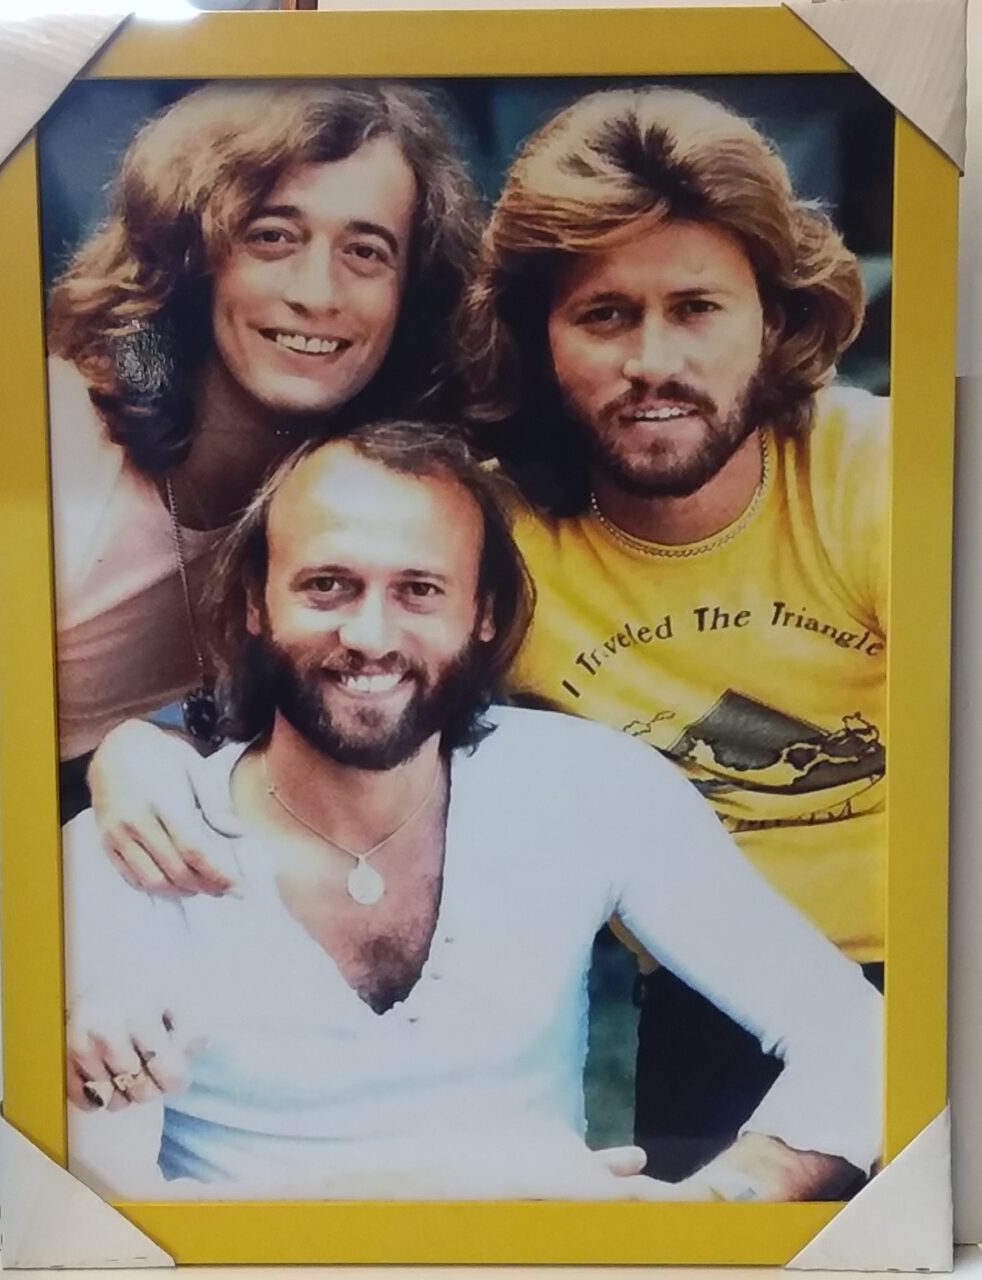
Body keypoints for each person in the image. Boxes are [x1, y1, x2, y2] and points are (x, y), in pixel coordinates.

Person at [64, 420, 881, 1202]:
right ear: (255, 601)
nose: (370, 634)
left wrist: (719, 1207)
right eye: (327, 585)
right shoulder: (133, 842)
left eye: (419, 590)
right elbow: (103, 1215)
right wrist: (431, 1198)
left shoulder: (587, 788)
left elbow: (860, 1036)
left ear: (484, 612)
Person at [461, 86, 887, 1179]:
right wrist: (141, 754)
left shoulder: (873, 472)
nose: (652, 359)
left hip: (932, 961)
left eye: (696, 307)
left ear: (774, 320)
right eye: (604, 315)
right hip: (711, 994)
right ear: (538, 337)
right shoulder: (496, 537)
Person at [47, 79, 480, 821]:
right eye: (273, 237)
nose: (318, 293)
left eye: (366, 251)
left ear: (411, 292)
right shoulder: (57, 435)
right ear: (192, 256)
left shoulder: (391, 492)